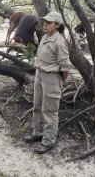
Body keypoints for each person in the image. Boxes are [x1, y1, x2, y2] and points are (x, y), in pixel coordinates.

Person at [23, 11, 71, 154]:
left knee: (49, 110)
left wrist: (58, 81)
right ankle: (38, 133)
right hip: (40, 74)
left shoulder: (59, 41)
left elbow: (66, 67)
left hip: (52, 77)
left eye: (49, 23)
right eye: (45, 22)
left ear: (57, 25)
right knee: (37, 105)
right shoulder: (44, 38)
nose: (45, 24)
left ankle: (48, 141)